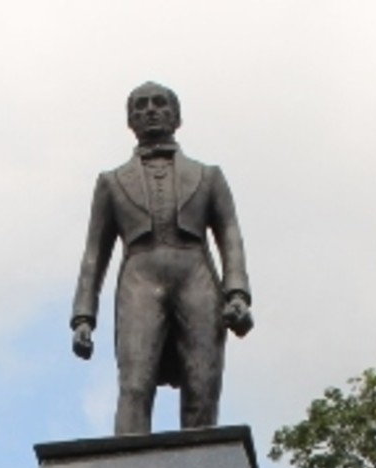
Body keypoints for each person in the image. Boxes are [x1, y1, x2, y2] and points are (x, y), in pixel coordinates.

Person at [72, 81, 252, 435]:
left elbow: (230, 236)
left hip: (196, 274)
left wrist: (237, 294)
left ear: (176, 115)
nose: (149, 110)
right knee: (135, 382)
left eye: (158, 103)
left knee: (203, 382)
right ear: (130, 120)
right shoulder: (111, 183)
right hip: (140, 275)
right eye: (139, 106)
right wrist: (83, 316)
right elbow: (94, 254)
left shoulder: (208, 176)